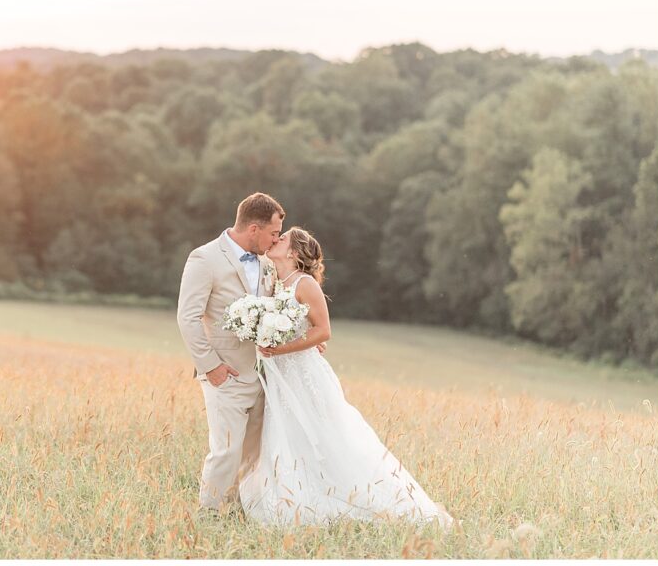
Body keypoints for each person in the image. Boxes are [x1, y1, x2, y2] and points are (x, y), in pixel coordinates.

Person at [239, 226, 455, 529]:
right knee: (290, 434)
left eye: (283, 238)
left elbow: (323, 331)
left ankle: (364, 498)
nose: (276, 239)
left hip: (304, 374)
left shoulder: (305, 284)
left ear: (294, 252)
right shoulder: (275, 281)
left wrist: (282, 348)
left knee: (326, 435)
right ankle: (293, 493)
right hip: (281, 376)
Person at [176, 192, 325, 514]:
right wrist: (211, 366)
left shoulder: (268, 262)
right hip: (225, 373)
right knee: (226, 450)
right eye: (274, 233)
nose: (276, 240)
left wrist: (299, 333)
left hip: (266, 374)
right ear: (253, 228)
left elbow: (278, 307)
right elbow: (187, 317)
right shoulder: (205, 258)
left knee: (255, 452)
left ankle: (243, 511)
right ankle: (210, 513)